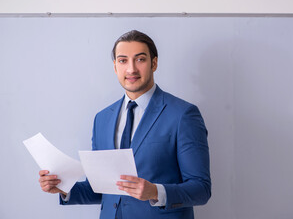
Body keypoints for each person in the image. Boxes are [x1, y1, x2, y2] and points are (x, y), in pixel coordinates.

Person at [38, 30, 211, 219]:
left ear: (154, 63)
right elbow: (101, 188)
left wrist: (155, 192)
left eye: (140, 59)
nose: (131, 69)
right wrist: (63, 188)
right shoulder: (102, 119)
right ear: (115, 66)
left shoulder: (183, 114)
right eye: (123, 60)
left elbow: (201, 189)